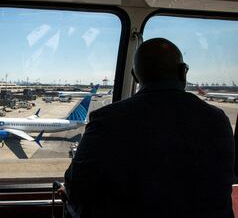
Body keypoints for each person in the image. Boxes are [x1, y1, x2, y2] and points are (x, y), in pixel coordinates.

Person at [64, 38, 234, 217]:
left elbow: (77, 188)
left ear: (135, 75)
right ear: (183, 72)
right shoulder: (218, 119)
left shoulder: (107, 120)